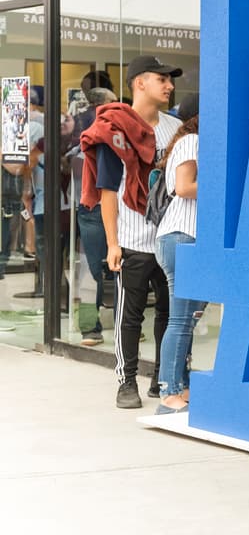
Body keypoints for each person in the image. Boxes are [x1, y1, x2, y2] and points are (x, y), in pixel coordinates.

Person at [80, 55, 182, 409]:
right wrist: (112, 243)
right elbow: (107, 190)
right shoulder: (116, 128)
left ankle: (163, 380)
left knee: (171, 315)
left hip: (171, 237)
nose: (169, 86)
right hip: (133, 239)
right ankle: (126, 382)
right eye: (162, 79)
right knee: (130, 316)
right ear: (140, 83)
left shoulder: (176, 129)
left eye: (170, 80)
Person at [154, 95, 203, 413]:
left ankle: (181, 387)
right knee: (182, 319)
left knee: (188, 319)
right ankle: (170, 391)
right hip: (182, 236)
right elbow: (185, 188)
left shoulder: (185, 141)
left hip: (182, 238)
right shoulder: (193, 141)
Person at [73, 87, 118, 346]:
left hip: (88, 201)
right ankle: (123, 325)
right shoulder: (110, 123)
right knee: (120, 264)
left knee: (91, 268)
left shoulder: (78, 121)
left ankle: (90, 328)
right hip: (102, 200)